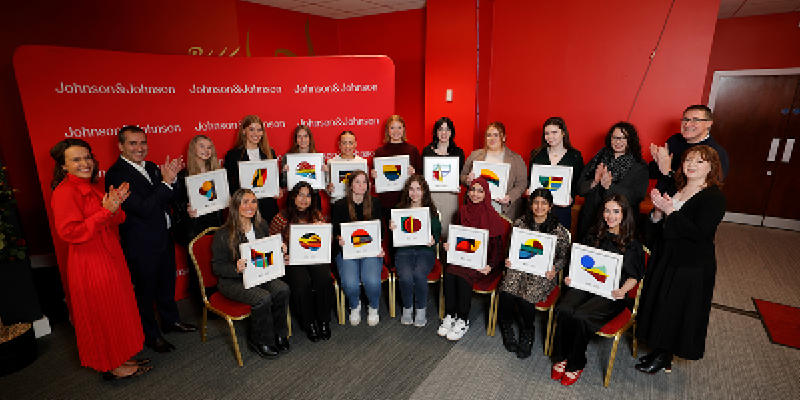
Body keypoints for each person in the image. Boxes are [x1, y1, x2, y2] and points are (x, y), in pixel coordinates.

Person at [50, 139, 151, 380]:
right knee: (104, 313)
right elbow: (69, 232)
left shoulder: (92, 186)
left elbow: (115, 219)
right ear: (63, 166)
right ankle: (112, 366)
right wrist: (106, 211)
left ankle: (120, 356)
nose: (85, 163)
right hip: (90, 260)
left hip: (109, 254)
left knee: (116, 309)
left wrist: (115, 205)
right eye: (76, 159)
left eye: (87, 157)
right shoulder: (64, 192)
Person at [105, 125, 197, 354]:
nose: (139, 148)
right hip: (142, 244)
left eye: (142, 142)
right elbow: (142, 208)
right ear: (121, 146)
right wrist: (165, 183)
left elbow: (170, 196)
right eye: (133, 143)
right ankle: (151, 335)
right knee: (145, 293)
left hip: (164, 237)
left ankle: (170, 321)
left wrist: (172, 180)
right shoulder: (116, 174)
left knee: (166, 285)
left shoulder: (153, 167)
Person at [635, 145, 727, 374]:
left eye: (699, 161)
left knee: (676, 309)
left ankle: (664, 355)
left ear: (711, 167)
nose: (691, 165)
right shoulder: (677, 189)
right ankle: (658, 351)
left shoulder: (714, 197)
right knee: (661, 304)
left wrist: (671, 212)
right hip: (666, 257)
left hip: (690, 264)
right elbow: (658, 229)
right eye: (688, 160)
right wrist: (657, 213)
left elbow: (700, 234)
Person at [550, 194, 645, 386]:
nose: (611, 216)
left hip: (612, 293)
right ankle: (561, 357)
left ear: (624, 214)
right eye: (607, 211)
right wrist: (572, 277)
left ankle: (576, 364)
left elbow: (635, 276)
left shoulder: (632, 243)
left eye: (616, 211)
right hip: (587, 285)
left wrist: (623, 291)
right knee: (564, 309)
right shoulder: (594, 233)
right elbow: (579, 261)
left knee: (581, 317)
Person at [212, 189, 291, 359]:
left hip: (258, 274)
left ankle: (279, 334)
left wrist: (280, 253)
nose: (250, 206)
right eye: (245, 202)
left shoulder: (261, 225)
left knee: (282, 289)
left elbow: (265, 255)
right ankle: (260, 340)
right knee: (262, 298)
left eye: (254, 201)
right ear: (236, 206)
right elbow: (217, 267)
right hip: (232, 281)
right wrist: (236, 268)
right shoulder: (223, 234)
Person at [497, 188, 571, 359]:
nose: (539, 206)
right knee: (507, 292)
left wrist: (555, 269)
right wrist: (509, 259)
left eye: (544, 203)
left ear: (550, 206)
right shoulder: (520, 223)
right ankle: (506, 324)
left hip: (543, 272)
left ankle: (528, 331)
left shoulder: (559, 231)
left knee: (525, 298)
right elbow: (512, 249)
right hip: (519, 267)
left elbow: (564, 257)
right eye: (536, 202)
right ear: (530, 204)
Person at [438, 178, 506, 341]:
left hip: (483, 261)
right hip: (463, 256)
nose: (475, 194)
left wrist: (490, 266)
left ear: (486, 194)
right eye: (473, 189)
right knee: (449, 274)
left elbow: (497, 247)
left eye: (480, 191)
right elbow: (457, 236)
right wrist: (450, 246)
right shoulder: (462, 211)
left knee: (463, 278)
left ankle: (463, 319)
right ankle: (450, 315)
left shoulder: (492, 216)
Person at [269, 182, 333, 342]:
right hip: (293, 259)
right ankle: (309, 323)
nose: (305, 199)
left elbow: (325, 242)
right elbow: (271, 244)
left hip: (313, 256)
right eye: (301, 195)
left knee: (324, 278)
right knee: (302, 283)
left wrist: (325, 232)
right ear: (293, 197)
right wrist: (282, 253)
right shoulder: (281, 217)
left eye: (308, 195)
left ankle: (324, 320)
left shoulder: (316, 215)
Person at [576, 122, 648, 242]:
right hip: (591, 220)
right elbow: (580, 188)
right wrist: (595, 181)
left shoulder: (639, 166)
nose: (618, 142)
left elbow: (637, 197)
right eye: (615, 137)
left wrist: (609, 186)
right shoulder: (598, 159)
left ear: (631, 140)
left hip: (619, 226)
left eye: (623, 138)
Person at [331, 170, 385, 326]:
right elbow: (335, 232)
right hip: (347, 251)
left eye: (364, 182)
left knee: (372, 281)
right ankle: (355, 306)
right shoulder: (339, 205)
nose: (362, 185)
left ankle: (373, 307)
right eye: (357, 182)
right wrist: (339, 239)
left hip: (370, 250)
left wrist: (379, 245)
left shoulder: (375, 202)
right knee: (350, 283)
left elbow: (380, 231)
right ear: (350, 185)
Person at [388, 175, 441, 327]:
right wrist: (393, 228)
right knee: (405, 276)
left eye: (418, 189)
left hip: (425, 250)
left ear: (424, 191)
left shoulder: (431, 211)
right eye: (411, 189)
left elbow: (437, 233)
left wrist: (434, 239)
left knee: (419, 274)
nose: (415, 193)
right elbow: (395, 237)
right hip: (404, 250)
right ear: (407, 191)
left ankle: (420, 308)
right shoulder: (399, 210)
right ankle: (407, 307)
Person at [649, 105, 729, 195]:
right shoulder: (675, 140)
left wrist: (668, 172)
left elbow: (705, 191)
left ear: (708, 123)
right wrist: (658, 161)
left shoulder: (717, 153)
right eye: (685, 119)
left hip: (684, 202)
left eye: (695, 120)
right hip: (658, 198)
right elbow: (653, 174)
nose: (687, 124)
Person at [372, 115, 422, 255]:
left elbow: (421, 176)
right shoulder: (380, 152)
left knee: (408, 231)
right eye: (392, 128)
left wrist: (414, 173)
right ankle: (394, 262)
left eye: (399, 127)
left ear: (404, 129)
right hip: (387, 200)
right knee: (392, 232)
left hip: (408, 199)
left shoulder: (412, 150)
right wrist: (374, 175)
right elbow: (376, 181)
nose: (396, 131)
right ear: (387, 130)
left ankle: (407, 261)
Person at [461, 122, 527, 221]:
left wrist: (510, 197)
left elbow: (522, 183)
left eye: (496, 135)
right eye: (489, 135)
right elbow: (462, 176)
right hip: (476, 205)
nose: (492, 138)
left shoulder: (516, 159)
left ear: (503, 137)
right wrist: (467, 179)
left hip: (500, 206)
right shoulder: (475, 155)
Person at [527, 117, 584, 229]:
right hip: (539, 208)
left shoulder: (575, 157)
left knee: (559, 238)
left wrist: (571, 198)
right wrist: (530, 188)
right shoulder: (537, 154)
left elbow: (578, 183)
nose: (550, 137)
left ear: (563, 133)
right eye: (547, 133)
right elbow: (530, 179)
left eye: (554, 132)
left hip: (562, 209)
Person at [420, 117, 465, 259]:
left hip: (450, 197)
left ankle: (446, 264)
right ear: (436, 132)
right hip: (431, 196)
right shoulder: (427, 151)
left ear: (451, 132)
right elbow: (423, 176)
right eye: (440, 129)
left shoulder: (458, 152)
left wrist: (459, 184)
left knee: (447, 232)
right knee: (430, 229)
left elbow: (460, 176)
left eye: (447, 129)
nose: (444, 133)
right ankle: (431, 262)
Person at [224, 115, 280, 225]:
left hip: (268, 206)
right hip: (245, 208)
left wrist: (279, 189)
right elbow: (226, 180)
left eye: (259, 130)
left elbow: (275, 177)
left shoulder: (269, 152)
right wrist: (236, 196)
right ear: (243, 131)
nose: (256, 134)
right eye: (251, 129)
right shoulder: (233, 155)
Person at [173, 135, 225, 247]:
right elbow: (176, 202)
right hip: (195, 228)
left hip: (216, 225)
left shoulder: (218, 173)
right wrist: (187, 208)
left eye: (209, 147)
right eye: (202, 146)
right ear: (193, 149)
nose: (206, 150)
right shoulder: (183, 176)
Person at [280, 126, 325, 210]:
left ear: (310, 138)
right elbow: (285, 183)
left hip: (313, 197)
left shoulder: (318, 158)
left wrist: (324, 174)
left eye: (305, 136)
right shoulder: (288, 157)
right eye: (299, 136)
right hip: (295, 198)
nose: (302, 139)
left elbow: (324, 184)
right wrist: (284, 173)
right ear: (295, 140)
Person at [326, 130, 366, 204]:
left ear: (355, 144)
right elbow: (327, 185)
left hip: (357, 202)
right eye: (344, 143)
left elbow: (366, 185)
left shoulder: (362, 163)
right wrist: (328, 189)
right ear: (339, 144)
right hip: (337, 202)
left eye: (351, 143)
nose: (347, 146)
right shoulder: (331, 163)